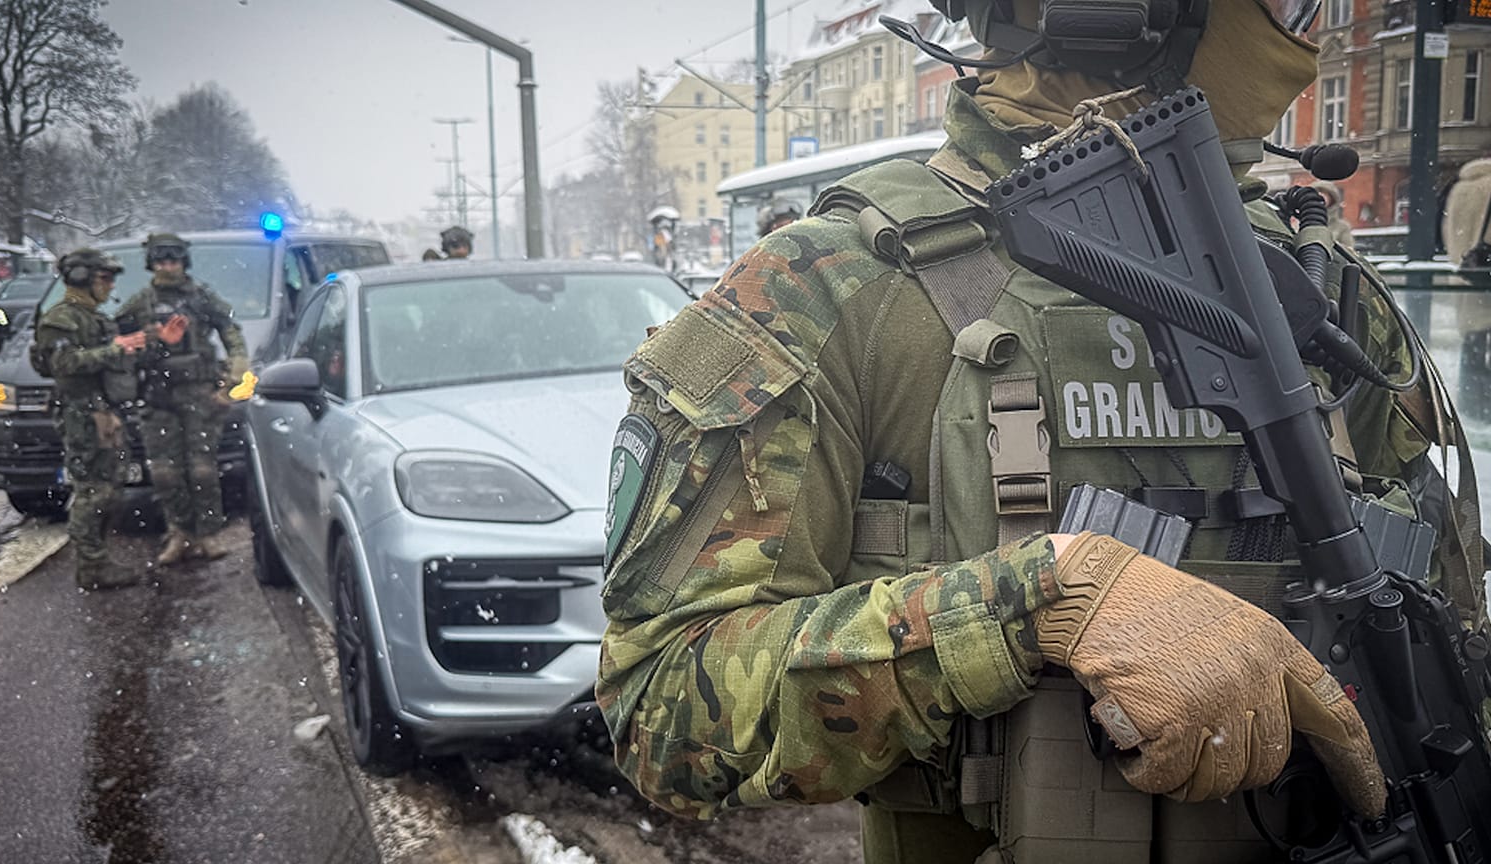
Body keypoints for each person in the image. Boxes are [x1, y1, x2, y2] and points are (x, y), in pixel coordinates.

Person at [598, 2, 1476, 861]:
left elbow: (1455, 624)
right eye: (1283, 0)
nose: (1304, 35)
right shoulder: (830, 287)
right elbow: (663, 709)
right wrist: (1033, 608)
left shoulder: (1318, 282)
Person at [116, 233, 249, 566]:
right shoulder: (140, 303)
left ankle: (207, 532)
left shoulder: (202, 297)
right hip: (158, 397)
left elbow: (231, 330)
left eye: (173, 260)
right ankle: (179, 531)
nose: (167, 267)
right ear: (151, 264)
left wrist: (233, 377)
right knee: (164, 473)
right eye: (161, 261)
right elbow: (117, 341)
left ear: (183, 261)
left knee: (203, 469)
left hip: (199, 395)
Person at [30, 249, 147, 590]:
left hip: (102, 413)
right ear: (82, 278)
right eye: (104, 278)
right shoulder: (61, 319)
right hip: (82, 415)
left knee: (109, 488)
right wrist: (115, 350)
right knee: (92, 491)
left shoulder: (92, 317)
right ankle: (91, 566)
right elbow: (63, 364)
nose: (110, 286)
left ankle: (98, 559)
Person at [1444, 158, 1491, 421]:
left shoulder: (1460, 189)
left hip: (1465, 276)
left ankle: (1472, 411)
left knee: (1472, 345)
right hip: (1487, 281)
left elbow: (1449, 236)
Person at [1310, 179, 1354, 247]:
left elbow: (1348, 252)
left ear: (1332, 199)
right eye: (1317, 192)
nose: (1320, 196)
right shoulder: (1300, 224)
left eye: (1324, 193)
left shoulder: (1341, 227)